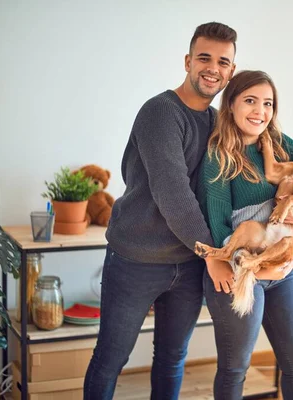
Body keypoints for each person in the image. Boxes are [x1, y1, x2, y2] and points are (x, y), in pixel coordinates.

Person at [83, 22, 240, 400]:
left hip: (187, 263)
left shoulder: (219, 121)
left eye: (223, 61)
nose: (212, 68)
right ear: (188, 61)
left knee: (172, 357)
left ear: (231, 71)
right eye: (204, 57)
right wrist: (213, 254)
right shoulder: (160, 112)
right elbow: (174, 194)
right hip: (136, 258)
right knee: (111, 358)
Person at [197, 70, 293, 400]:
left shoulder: (280, 144)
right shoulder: (218, 156)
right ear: (230, 105)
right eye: (250, 101)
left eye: (268, 103)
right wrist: (258, 268)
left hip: (282, 270)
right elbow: (218, 226)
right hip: (239, 268)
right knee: (236, 367)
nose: (260, 111)